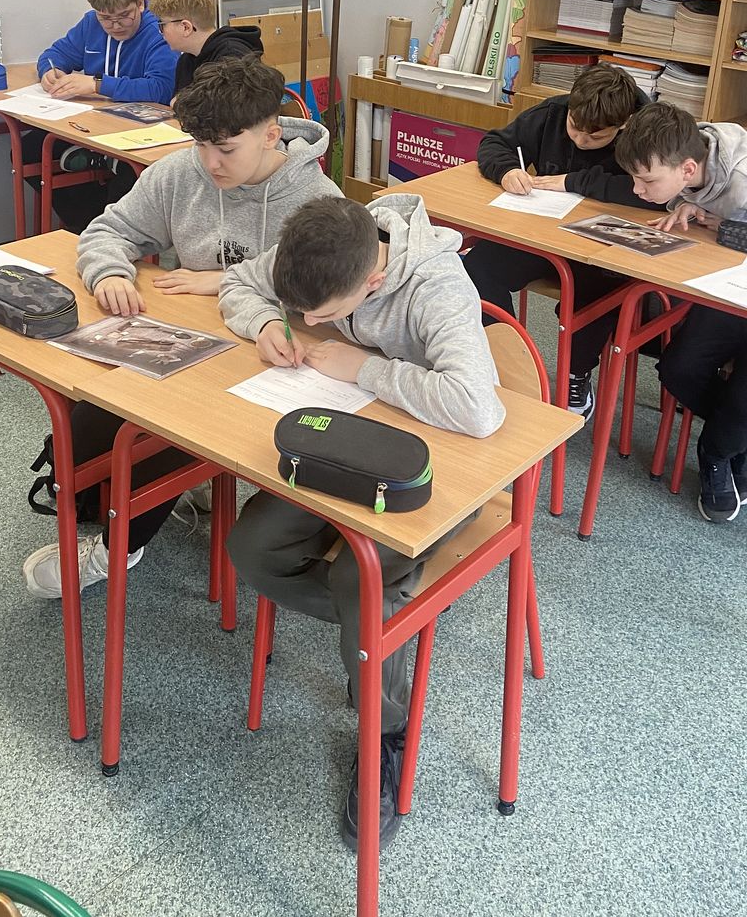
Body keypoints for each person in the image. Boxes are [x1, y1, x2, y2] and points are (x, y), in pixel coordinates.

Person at [218, 194, 505, 852]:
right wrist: (264, 325)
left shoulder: (435, 285)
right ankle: (377, 635)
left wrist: (366, 368)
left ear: (373, 281)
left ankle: (387, 728)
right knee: (253, 549)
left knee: (362, 583)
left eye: (322, 315)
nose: (309, 323)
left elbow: (478, 409)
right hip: (344, 442)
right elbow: (239, 282)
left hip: (430, 468)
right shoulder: (325, 244)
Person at [22, 56, 341, 599]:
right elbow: (108, 230)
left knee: (162, 430)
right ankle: (135, 499)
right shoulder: (180, 172)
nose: (210, 162)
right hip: (184, 341)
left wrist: (226, 281)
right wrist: (110, 272)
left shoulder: (317, 203)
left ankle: (121, 546)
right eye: (200, 145)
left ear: (271, 135)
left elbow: (326, 304)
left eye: (226, 149)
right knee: (84, 430)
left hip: (266, 361)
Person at [463, 63, 646, 421]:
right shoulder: (553, 113)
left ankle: (577, 374)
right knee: (478, 267)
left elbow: (654, 193)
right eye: (575, 127)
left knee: (598, 292)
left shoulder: (644, 131)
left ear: (623, 124)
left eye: (596, 137)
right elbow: (494, 142)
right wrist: (507, 170)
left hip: (603, 246)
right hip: (544, 233)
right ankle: (505, 357)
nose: (581, 140)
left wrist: (574, 181)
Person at [615, 102, 747, 524]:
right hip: (729, 290)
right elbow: (704, 198)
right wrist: (690, 205)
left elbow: (731, 212)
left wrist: (725, 228)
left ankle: (717, 450)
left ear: (688, 169)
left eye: (647, 181)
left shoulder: (741, 176)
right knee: (678, 369)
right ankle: (736, 435)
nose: (638, 190)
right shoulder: (690, 150)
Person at [22, 0, 177, 233]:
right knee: (28, 152)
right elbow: (55, 54)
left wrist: (97, 85)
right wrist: (49, 71)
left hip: (141, 133)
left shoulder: (158, 31)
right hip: (94, 126)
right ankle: (86, 226)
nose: (115, 25)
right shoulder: (90, 24)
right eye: (106, 18)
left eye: (124, 15)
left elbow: (160, 88)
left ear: (140, 3)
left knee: (128, 178)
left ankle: (104, 231)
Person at [149, 0, 263, 96]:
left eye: (162, 25)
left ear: (186, 27)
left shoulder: (234, 59)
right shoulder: (186, 60)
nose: (161, 31)